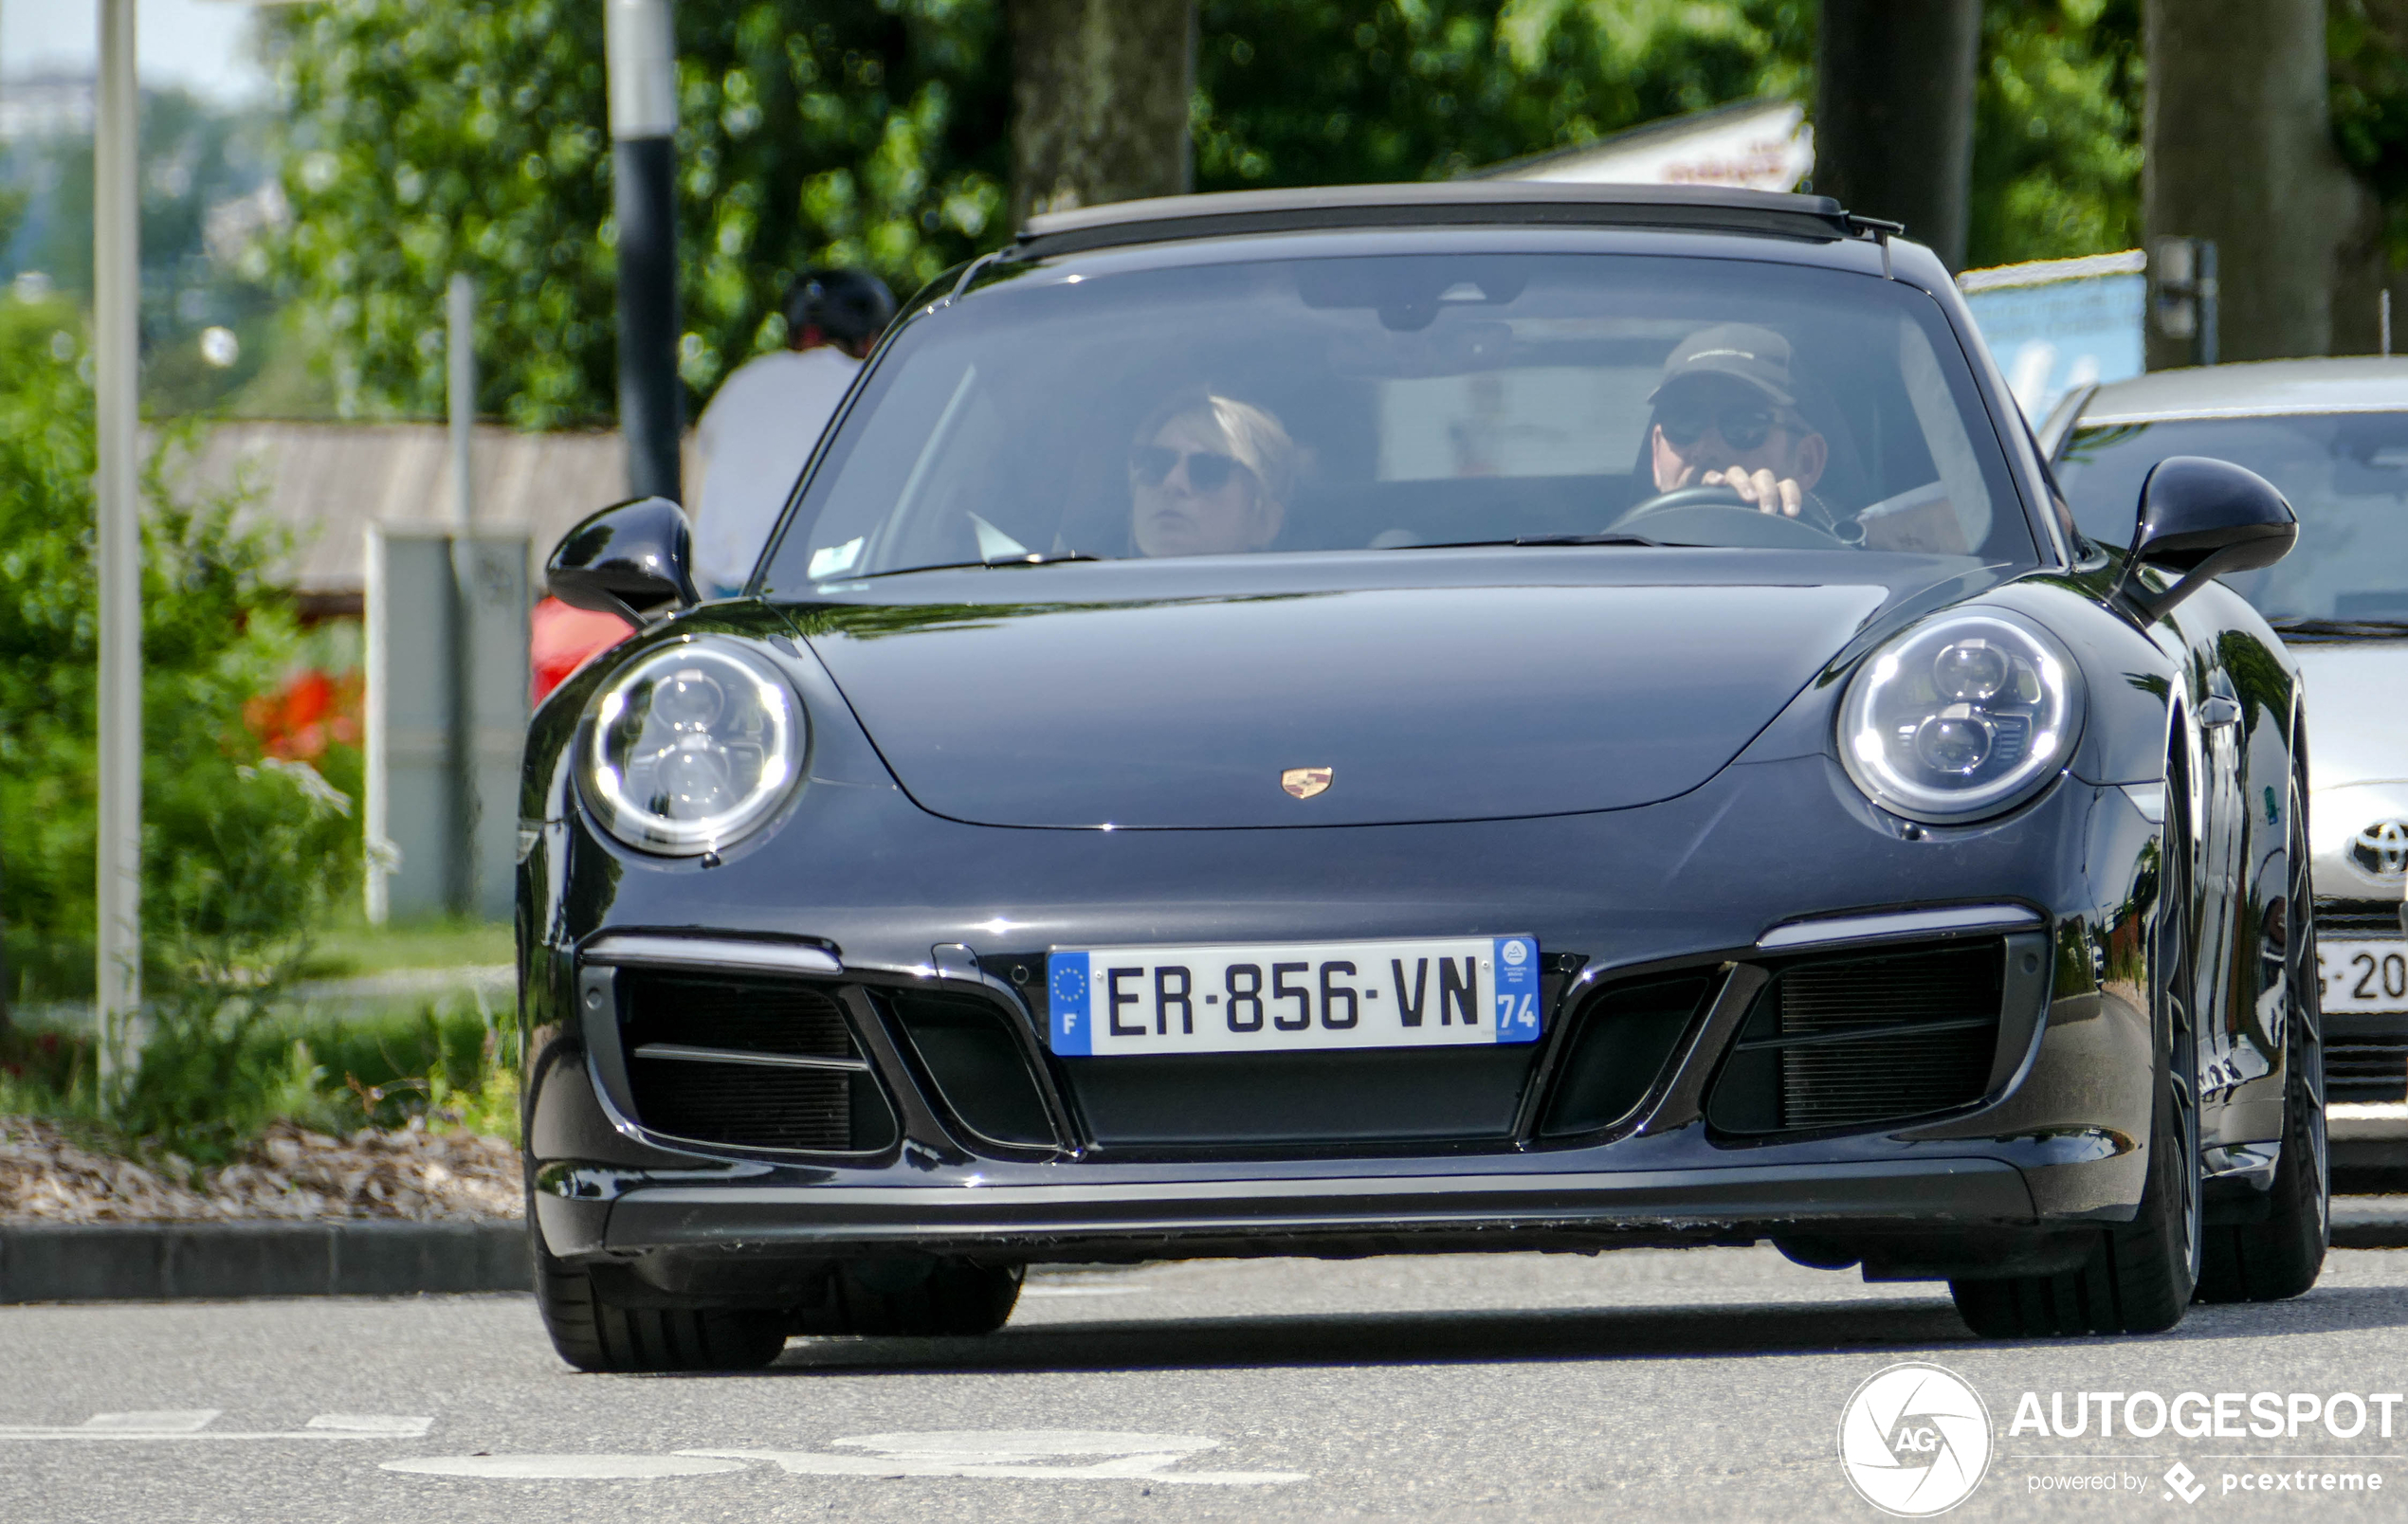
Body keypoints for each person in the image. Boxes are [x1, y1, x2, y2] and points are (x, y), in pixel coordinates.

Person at [690, 269, 897, 595]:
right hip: (833, 590)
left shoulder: (741, 382)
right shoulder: (874, 384)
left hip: (725, 593)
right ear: (870, 339)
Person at [1645, 322, 1834, 523]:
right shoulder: (1618, 550)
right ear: (1656, 455)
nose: (1706, 449)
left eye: (1744, 426)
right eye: (1683, 422)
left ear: (1807, 462)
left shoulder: (1841, 554)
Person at [1127, 391, 1298, 557]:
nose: (1172, 482)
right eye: (1155, 464)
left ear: (1264, 521)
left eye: (1208, 469)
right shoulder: (1101, 578)